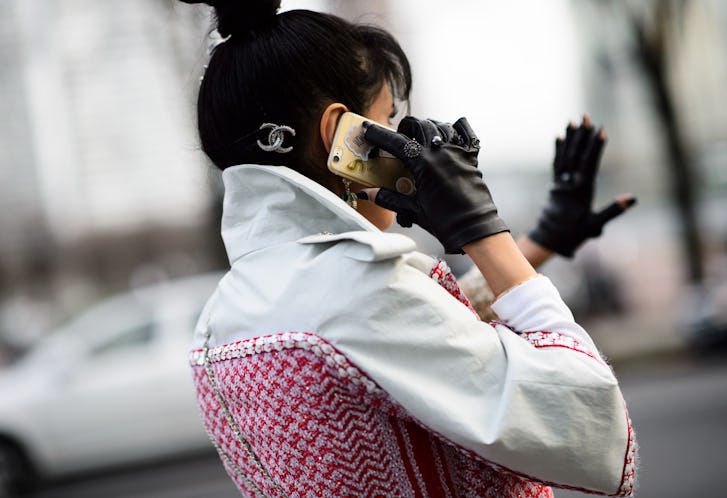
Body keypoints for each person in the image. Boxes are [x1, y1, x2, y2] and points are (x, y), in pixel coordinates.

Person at [180, 1, 637, 496]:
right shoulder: (359, 289)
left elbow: (421, 336)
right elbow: (590, 425)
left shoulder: (225, 313)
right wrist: (483, 228)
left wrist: (538, 244)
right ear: (344, 137)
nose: (403, 140)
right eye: (389, 119)